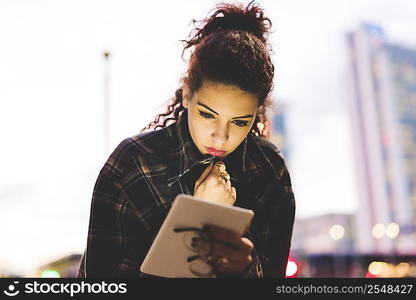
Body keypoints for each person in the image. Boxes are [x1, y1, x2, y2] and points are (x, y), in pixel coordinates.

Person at [77, 0, 295, 278]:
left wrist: (246, 268)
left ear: (257, 112)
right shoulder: (133, 163)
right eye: (207, 115)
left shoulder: (268, 171)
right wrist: (200, 216)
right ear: (187, 92)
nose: (221, 136)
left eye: (240, 121)